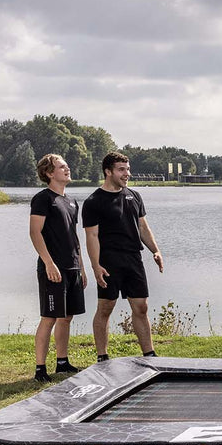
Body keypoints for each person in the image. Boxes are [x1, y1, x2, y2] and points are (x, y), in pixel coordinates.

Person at [82, 152, 164, 361]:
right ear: (108, 172)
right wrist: (95, 266)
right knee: (106, 307)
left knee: (141, 307)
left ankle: (149, 354)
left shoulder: (134, 196)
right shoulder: (94, 201)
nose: (126, 173)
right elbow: (92, 236)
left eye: (127, 169)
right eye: (121, 169)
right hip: (108, 260)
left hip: (133, 258)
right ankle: (102, 356)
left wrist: (155, 250)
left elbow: (143, 226)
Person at [29, 154, 87, 381]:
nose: (67, 168)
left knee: (67, 317)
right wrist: (49, 263)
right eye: (62, 166)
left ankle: (62, 362)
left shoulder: (72, 202)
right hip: (52, 268)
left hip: (72, 268)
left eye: (66, 165)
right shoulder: (42, 199)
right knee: (49, 317)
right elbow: (35, 233)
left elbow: (73, 236)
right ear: (49, 173)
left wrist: (81, 267)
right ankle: (40, 369)